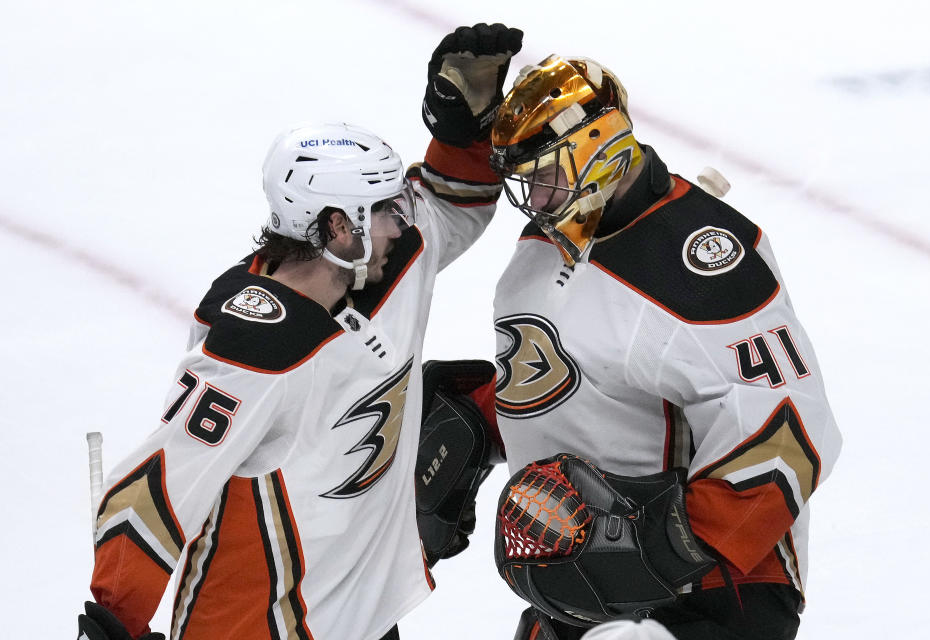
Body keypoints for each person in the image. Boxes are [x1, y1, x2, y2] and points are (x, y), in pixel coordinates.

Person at [76, 24, 522, 640]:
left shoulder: (387, 258)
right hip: (261, 626)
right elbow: (158, 487)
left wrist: (460, 130)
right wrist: (114, 617)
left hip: (358, 617)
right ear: (339, 225)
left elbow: (450, 205)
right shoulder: (254, 343)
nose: (402, 221)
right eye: (384, 209)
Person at [486, 55, 842, 640]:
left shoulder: (702, 258)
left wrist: (661, 550)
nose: (535, 197)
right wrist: (476, 411)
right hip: (584, 580)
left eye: (545, 173)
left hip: (710, 591)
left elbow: (789, 427)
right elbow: (579, 376)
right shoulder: (546, 241)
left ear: (595, 147)